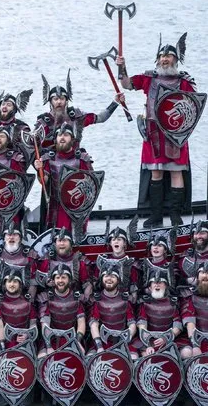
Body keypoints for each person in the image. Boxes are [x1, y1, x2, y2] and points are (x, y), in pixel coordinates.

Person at [117, 33, 197, 228]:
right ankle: (156, 216)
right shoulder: (148, 78)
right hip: (153, 133)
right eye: (162, 56)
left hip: (175, 135)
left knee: (176, 172)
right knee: (155, 173)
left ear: (176, 60)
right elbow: (127, 84)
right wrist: (122, 67)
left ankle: (176, 217)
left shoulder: (184, 81)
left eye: (168, 56)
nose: (164, 59)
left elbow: (195, 105)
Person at [35, 70, 122, 150]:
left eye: (62, 98)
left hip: (74, 163)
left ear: (66, 101)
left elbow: (101, 118)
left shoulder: (77, 117)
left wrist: (115, 102)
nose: (59, 102)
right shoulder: (44, 122)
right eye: (56, 99)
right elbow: (32, 144)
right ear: (50, 102)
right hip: (51, 163)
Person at [34, 124, 96, 235]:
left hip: (76, 207)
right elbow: (44, 181)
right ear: (55, 139)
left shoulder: (82, 158)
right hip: (55, 206)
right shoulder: (48, 158)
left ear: (72, 139)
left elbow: (92, 184)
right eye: (59, 135)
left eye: (66, 135)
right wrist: (39, 170)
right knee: (56, 237)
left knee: (75, 237)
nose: (62, 137)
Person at [137, 263, 190, 358]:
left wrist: (166, 338)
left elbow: (177, 325)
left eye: (160, 282)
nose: (157, 285)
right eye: (154, 282)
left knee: (186, 352)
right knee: (147, 356)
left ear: (166, 286)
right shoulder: (145, 303)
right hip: (149, 341)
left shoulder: (173, 303)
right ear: (149, 287)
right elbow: (142, 326)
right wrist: (149, 344)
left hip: (170, 340)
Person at [88, 264, 138, 359]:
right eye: (106, 276)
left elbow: (132, 324)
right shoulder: (97, 300)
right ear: (102, 279)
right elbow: (94, 324)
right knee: (91, 358)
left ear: (118, 280)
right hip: (103, 342)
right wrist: (99, 346)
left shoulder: (125, 299)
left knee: (133, 358)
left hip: (123, 341)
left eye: (113, 276)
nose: (109, 279)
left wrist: (125, 341)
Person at [37, 263, 86, 357]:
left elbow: (81, 322)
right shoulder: (47, 298)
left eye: (63, 277)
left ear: (69, 279)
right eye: (57, 278)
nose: (60, 281)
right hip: (51, 339)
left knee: (79, 355)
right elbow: (45, 323)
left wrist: (77, 341)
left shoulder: (77, 298)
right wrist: (48, 345)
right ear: (53, 280)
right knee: (42, 358)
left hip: (71, 338)